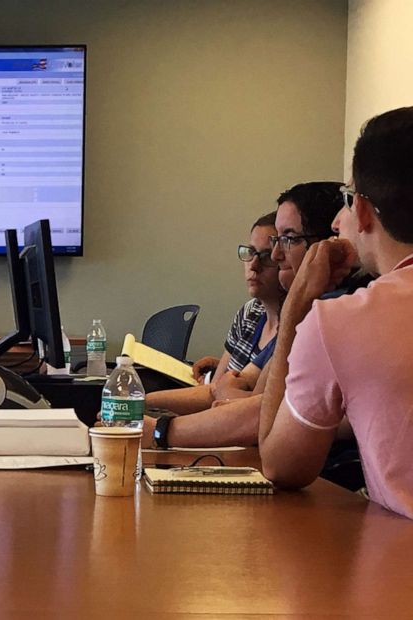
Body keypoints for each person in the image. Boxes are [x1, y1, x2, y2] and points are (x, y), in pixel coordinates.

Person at [260, 107, 413, 518]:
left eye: (347, 199)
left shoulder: (340, 322)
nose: (336, 219)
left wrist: (295, 309)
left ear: (362, 210)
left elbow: (280, 465)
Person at [143, 182, 341, 449]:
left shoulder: (332, 313)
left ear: (330, 246)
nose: (275, 254)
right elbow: (230, 390)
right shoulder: (268, 313)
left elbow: (260, 415)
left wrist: (160, 431)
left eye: (289, 239)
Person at [148, 212, 283, 415]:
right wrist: (139, 401)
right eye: (251, 252)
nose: (253, 266)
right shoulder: (249, 312)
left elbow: (245, 408)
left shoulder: (297, 330)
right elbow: (214, 391)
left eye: (266, 257)